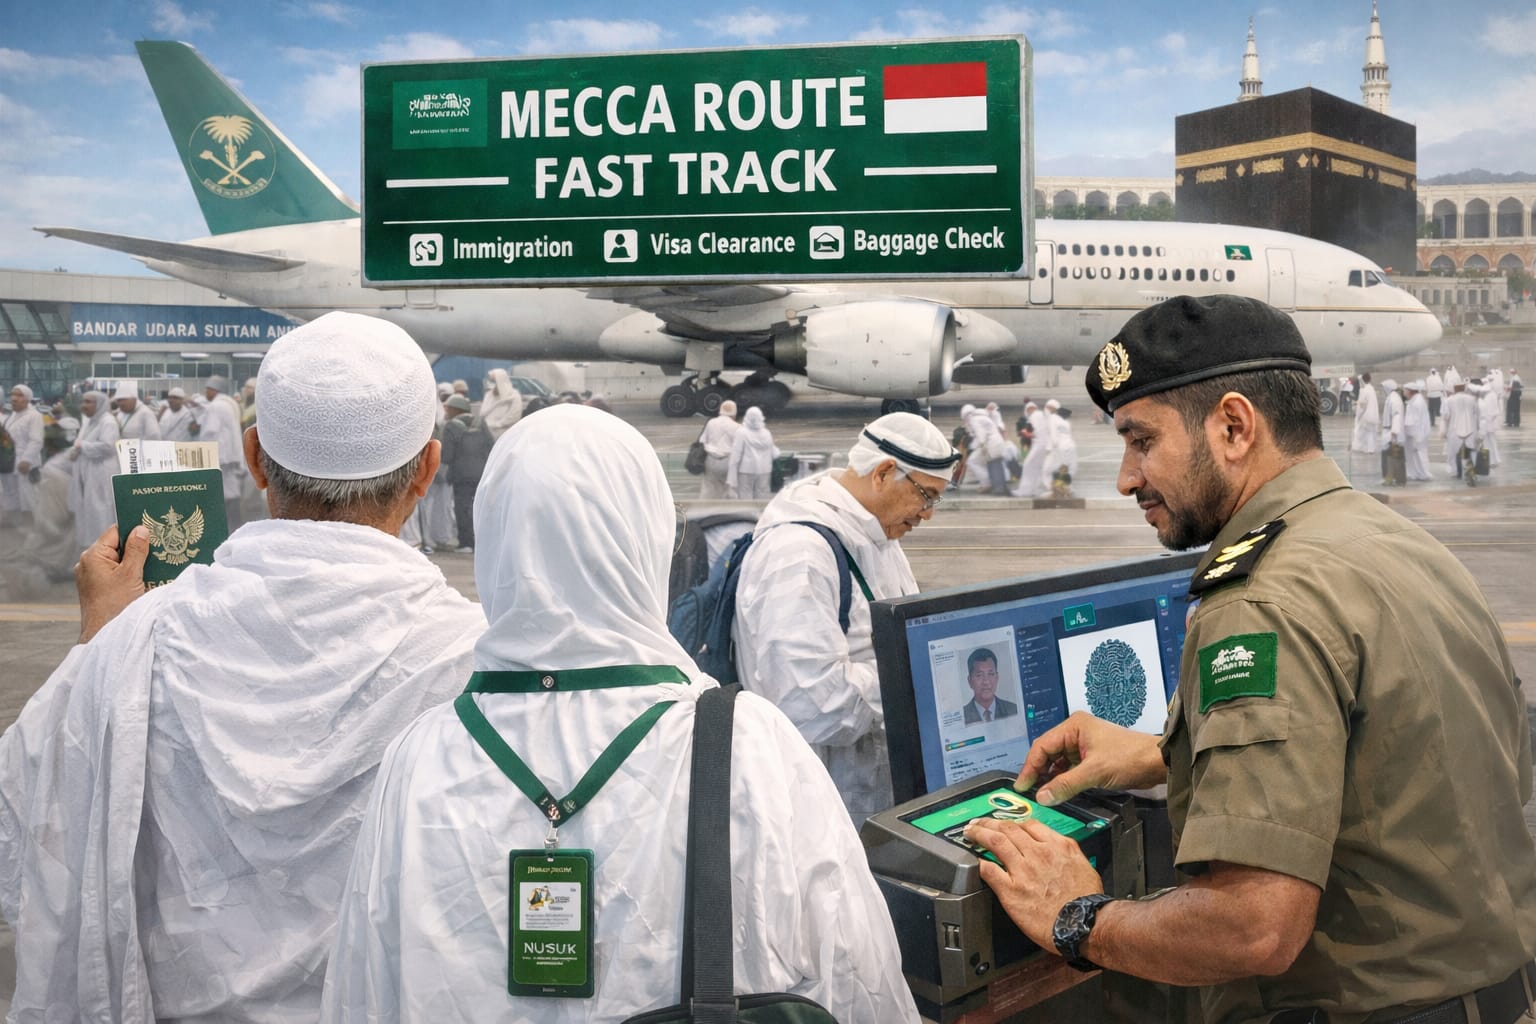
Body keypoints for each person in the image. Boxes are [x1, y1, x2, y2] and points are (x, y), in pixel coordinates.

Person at [964, 294, 1536, 1024]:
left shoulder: (1260, 601)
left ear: (1233, 427)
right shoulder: (1394, 541)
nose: (1127, 478)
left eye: (1142, 441)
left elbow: (1253, 928)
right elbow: (1411, 753)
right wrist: (1169, 752)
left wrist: (1075, 916)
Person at [320, 405, 919, 1023]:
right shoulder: (749, 742)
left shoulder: (419, 756)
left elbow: (364, 995)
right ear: (649, 537)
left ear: (494, 537)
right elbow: (859, 983)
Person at [0, 311, 487, 1022]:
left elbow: (26, 825)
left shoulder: (141, 640)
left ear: (254, 458)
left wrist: (102, 636)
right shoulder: (478, 657)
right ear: (428, 469)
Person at [732, 412, 959, 824]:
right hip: (819, 804)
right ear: (884, 473)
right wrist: (914, 673)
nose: (928, 513)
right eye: (925, 495)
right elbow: (810, 704)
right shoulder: (799, 553)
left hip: (870, 794)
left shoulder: (876, 535)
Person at [67, 389, 121, 551]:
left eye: (88, 401)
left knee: (101, 509)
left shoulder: (108, 422)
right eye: (83, 401)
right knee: (90, 508)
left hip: (102, 472)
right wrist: (76, 449)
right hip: (89, 471)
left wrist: (81, 446)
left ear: (100, 404)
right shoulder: (90, 421)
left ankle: (105, 547)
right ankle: (90, 544)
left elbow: (108, 447)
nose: (84, 405)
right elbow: (79, 442)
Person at [439, 392, 493, 553]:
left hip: (461, 475)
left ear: (456, 409)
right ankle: (482, 542)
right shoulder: (481, 422)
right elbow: (491, 445)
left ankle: (466, 543)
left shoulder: (451, 426)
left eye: (449, 408)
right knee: (480, 508)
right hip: (481, 473)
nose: (447, 412)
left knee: (462, 508)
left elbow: (447, 456)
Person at [201, 374, 247, 528]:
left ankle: (226, 527)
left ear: (214, 390)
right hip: (230, 456)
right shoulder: (229, 404)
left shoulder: (216, 406)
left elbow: (209, 432)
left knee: (223, 494)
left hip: (219, 456)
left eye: (207, 389)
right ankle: (235, 526)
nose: (206, 393)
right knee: (231, 491)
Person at [2, 384, 45, 534]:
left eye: (19, 395)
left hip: (26, 462)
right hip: (10, 461)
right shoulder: (12, 416)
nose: (14, 398)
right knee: (10, 492)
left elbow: (36, 440)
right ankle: (13, 523)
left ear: (27, 399)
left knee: (28, 495)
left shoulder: (34, 416)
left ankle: (32, 526)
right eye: (13, 394)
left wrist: (26, 460)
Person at [728, 405, 779, 499]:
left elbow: (736, 455)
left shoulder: (741, 432)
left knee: (745, 494)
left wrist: (731, 476)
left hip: (746, 470)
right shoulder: (767, 433)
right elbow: (775, 453)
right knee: (762, 494)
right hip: (764, 470)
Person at [696, 398, 740, 499]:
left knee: (709, 488)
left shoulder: (711, 422)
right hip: (728, 461)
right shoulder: (737, 426)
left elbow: (702, 441)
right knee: (730, 489)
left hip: (711, 460)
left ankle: (705, 507)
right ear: (734, 413)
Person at [960, 647, 1017, 724]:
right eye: (979, 675)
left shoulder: (1013, 710)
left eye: (991, 674)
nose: (986, 681)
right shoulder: (962, 717)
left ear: (997, 678)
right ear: (970, 681)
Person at [963, 402, 1009, 493]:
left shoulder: (974, 419)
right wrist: (974, 446)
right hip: (995, 443)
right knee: (989, 463)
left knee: (972, 461)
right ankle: (991, 484)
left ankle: (987, 484)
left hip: (990, 444)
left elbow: (980, 434)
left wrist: (981, 445)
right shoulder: (981, 417)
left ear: (967, 415)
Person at [1441, 378, 1481, 478]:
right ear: (1464, 388)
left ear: (1454, 389)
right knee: (1471, 451)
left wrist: (1443, 431)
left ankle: (1456, 472)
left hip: (1454, 430)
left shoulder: (1448, 400)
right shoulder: (1472, 399)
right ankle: (1471, 471)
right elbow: (1477, 415)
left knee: (1453, 453)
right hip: (1471, 429)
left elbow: (1445, 416)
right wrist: (1478, 429)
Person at [1012, 400, 1051, 497]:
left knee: (1028, 465)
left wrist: (1026, 433)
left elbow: (1036, 432)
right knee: (1037, 467)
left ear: (1029, 409)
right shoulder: (1042, 415)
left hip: (1039, 444)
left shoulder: (1034, 416)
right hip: (1044, 444)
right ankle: (1034, 489)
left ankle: (1025, 491)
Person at [1040, 402, 1078, 497]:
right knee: (1068, 468)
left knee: (1055, 469)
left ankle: (1058, 489)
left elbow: (1053, 435)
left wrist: (1050, 448)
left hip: (1060, 447)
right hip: (1070, 446)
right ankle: (1066, 488)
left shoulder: (1053, 418)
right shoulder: (1066, 422)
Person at [479, 367, 525, 439]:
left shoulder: (514, 396)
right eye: (490, 381)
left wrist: (497, 424)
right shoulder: (489, 395)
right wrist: (496, 404)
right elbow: (482, 413)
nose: (491, 384)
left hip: (505, 434)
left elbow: (513, 416)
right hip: (487, 433)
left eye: (493, 381)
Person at [1402, 379, 1432, 481]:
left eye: (1405, 390)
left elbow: (1417, 421)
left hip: (1417, 433)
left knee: (1420, 455)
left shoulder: (1417, 402)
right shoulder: (1414, 400)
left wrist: (1416, 436)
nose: (1404, 392)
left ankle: (1423, 473)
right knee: (1414, 455)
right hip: (1414, 433)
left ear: (1410, 391)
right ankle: (1415, 473)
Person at [1378, 379, 1404, 484]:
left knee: (1390, 456)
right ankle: (1389, 478)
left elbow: (1396, 415)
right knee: (1388, 455)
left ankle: (1390, 478)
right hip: (1388, 430)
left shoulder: (1394, 399)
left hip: (1391, 431)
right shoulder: (1391, 397)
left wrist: (1394, 431)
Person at [1350, 370, 1379, 454]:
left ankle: (1366, 449)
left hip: (1367, 415)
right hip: (1374, 415)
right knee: (1371, 433)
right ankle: (1369, 448)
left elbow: (1363, 404)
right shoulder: (1371, 389)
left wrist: (1358, 413)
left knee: (1364, 432)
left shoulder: (1365, 390)